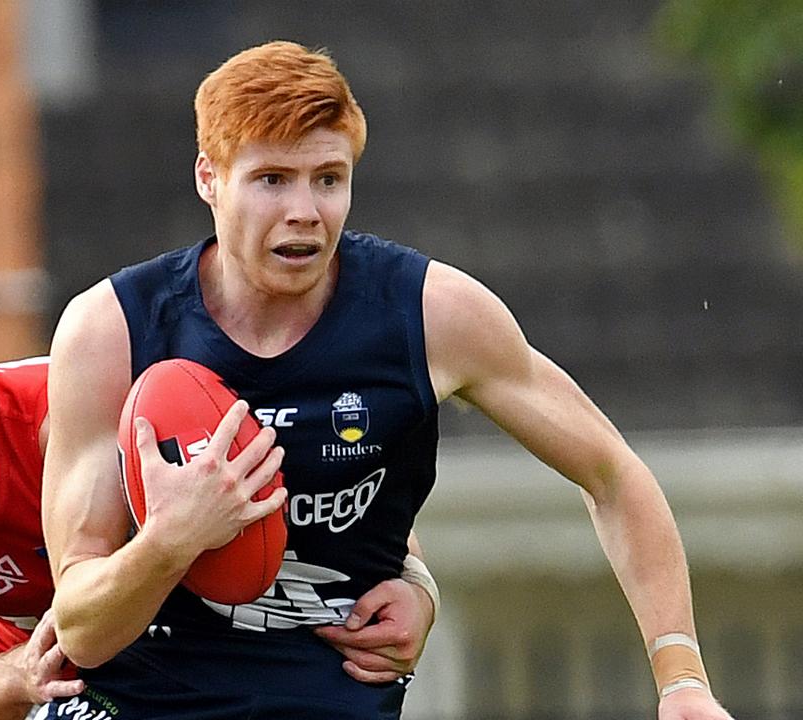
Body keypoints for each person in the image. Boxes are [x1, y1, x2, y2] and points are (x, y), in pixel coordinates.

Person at [40, 41, 733, 719]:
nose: (305, 212)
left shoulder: (430, 314)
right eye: (272, 179)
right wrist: (172, 539)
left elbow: (613, 474)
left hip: (327, 695)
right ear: (208, 179)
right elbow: (82, 630)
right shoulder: (112, 332)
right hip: (137, 702)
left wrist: (682, 680)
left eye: (329, 179)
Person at [0, 280, 439, 720]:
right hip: (9, 666)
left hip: (160, 652)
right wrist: (23, 677)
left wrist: (413, 581)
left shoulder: (90, 412)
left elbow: (282, 467)